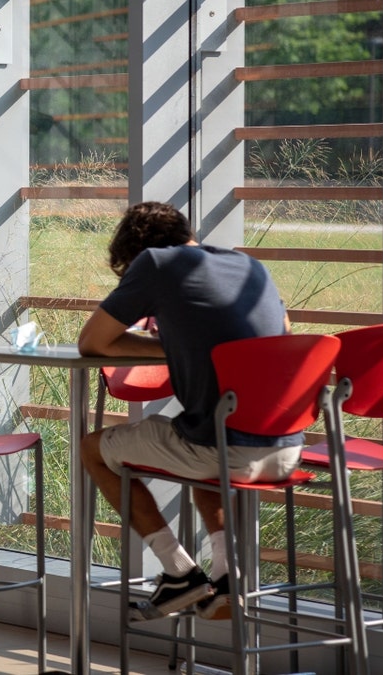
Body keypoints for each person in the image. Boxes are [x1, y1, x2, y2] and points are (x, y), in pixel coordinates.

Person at [77, 201, 297, 621]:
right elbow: (283, 333)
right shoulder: (250, 267)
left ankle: (179, 572)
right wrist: (184, 339)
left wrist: (167, 344)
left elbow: (92, 343)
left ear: (136, 250)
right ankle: (227, 578)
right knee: (198, 438)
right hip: (285, 447)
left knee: (92, 449)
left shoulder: (155, 264)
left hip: (228, 451)